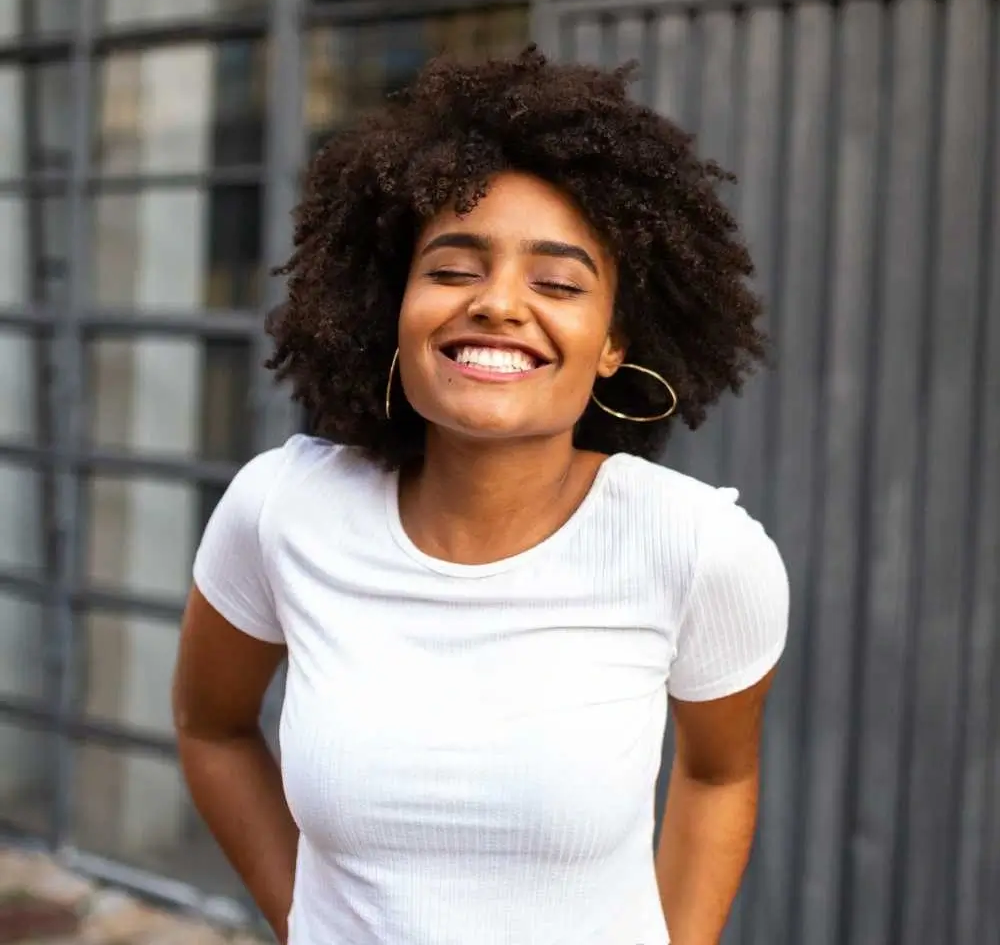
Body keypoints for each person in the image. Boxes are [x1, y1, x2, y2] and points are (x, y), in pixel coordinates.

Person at [172, 46, 789, 945]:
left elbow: (718, 778)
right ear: (394, 305)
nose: (499, 304)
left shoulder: (697, 549)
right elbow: (211, 727)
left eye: (558, 282)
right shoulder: (282, 510)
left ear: (614, 341)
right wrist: (305, 922)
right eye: (454, 270)